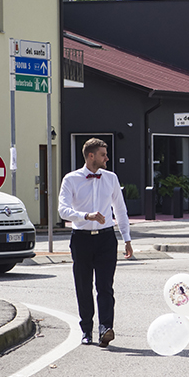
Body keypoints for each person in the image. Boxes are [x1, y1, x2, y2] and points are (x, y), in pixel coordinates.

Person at [58, 138, 133, 347]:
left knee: (105, 287)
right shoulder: (71, 179)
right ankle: (86, 330)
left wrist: (126, 238)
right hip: (81, 239)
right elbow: (62, 210)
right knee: (83, 287)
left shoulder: (111, 178)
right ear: (91, 156)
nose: (107, 158)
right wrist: (87, 216)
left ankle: (105, 329)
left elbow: (120, 209)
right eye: (103, 154)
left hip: (106, 239)